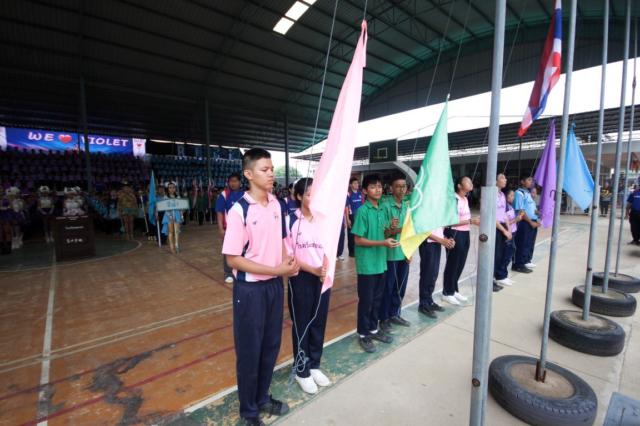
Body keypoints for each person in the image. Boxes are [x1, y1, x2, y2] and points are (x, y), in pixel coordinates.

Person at [222, 148, 298, 425]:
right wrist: (276, 270)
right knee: (249, 351)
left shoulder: (276, 204)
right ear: (248, 174)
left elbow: (281, 239)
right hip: (250, 291)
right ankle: (249, 412)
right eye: (265, 170)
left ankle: (263, 397)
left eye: (272, 169)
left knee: (270, 346)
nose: (271, 174)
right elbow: (233, 259)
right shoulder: (239, 210)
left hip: (274, 287)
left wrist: (288, 259)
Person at [286, 178, 332, 395]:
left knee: (318, 322)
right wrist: (313, 270)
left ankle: (314, 364)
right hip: (301, 278)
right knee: (302, 324)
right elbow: (289, 255)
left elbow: (329, 248)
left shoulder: (324, 220)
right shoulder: (290, 220)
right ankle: (301, 370)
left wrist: (324, 268)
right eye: (309, 194)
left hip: (322, 278)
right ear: (298, 196)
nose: (313, 198)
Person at [351, 174, 398, 353]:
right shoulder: (363, 211)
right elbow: (358, 240)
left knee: (377, 299)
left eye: (379, 186)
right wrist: (383, 243)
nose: (377, 189)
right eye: (372, 187)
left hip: (380, 263)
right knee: (366, 301)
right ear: (365, 191)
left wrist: (391, 229)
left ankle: (373, 329)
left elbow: (385, 234)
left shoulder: (382, 209)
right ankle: (363, 334)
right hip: (367, 265)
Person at [379, 174, 411, 330]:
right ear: (391, 188)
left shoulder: (406, 206)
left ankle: (395, 314)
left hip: (404, 253)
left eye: (404, 186)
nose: (402, 189)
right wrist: (395, 229)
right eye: (398, 186)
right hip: (391, 254)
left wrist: (410, 251)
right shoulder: (385, 206)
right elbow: (384, 233)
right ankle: (384, 318)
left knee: (401, 287)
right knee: (388, 287)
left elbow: (410, 232)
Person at [442, 177, 480, 306]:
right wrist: (470, 221)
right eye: (467, 181)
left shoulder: (465, 199)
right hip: (454, 233)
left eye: (471, 181)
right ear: (459, 185)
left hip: (465, 232)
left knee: (460, 263)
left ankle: (454, 289)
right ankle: (447, 292)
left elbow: (465, 217)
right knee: (452, 263)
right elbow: (449, 221)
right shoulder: (454, 199)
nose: (471, 183)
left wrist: (472, 221)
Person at [417, 226, 454, 318]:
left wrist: (445, 239)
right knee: (427, 274)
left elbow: (437, 229)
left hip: (436, 242)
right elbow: (422, 230)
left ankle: (429, 301)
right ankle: (423, 304)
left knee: (433, 274)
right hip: (427, 243)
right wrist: (441, 240)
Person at [216, 172, 244, 283]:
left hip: (243, 229)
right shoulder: (224, 194)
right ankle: (228, 273)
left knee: (242, 250)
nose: (233, 183)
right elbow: (219, 212)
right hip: (228, 229)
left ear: (240, 182)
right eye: (231, 181)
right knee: (228, 250)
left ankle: (241, 271)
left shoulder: (245, 194)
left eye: (235, 181)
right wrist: (220, 228)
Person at [513, 174, 540, 273]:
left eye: (531, 180)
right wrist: (530, 222)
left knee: (529, 243)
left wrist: (539, 216)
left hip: (532, 221)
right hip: (524, 222)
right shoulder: (519, 193)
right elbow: (521, 210)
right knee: (522, 243)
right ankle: (518, 265)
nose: (531, 182)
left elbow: (532, 209)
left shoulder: (528, 193)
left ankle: (525, 261)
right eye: (528, 180)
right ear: (522, 181)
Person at [345, 177, 364, 258]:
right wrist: (347, 219)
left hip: (360, 216)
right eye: (355, 183)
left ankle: (359, 250)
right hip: (352, 216)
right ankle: (351, 252)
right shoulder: (348, 194)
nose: (357, 185)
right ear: (351, 185)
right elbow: (346, 207)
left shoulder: (360, 194)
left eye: (357, 183)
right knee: (351, 235)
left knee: (360, 233)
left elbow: (363, 205)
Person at [162, 182, 183, 254]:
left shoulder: (178, 197)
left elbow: (180, 207)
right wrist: (170, 216)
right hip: (168, 215)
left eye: (173, 187)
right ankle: (172, 247)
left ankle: (177, 246)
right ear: (167, 189)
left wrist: (181, 215)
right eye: (170, 187)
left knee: (177, 231)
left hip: (177, 215)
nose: (172, 189)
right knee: (171, 231)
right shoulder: (165, 197)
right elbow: (165, 208)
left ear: (175, 188)